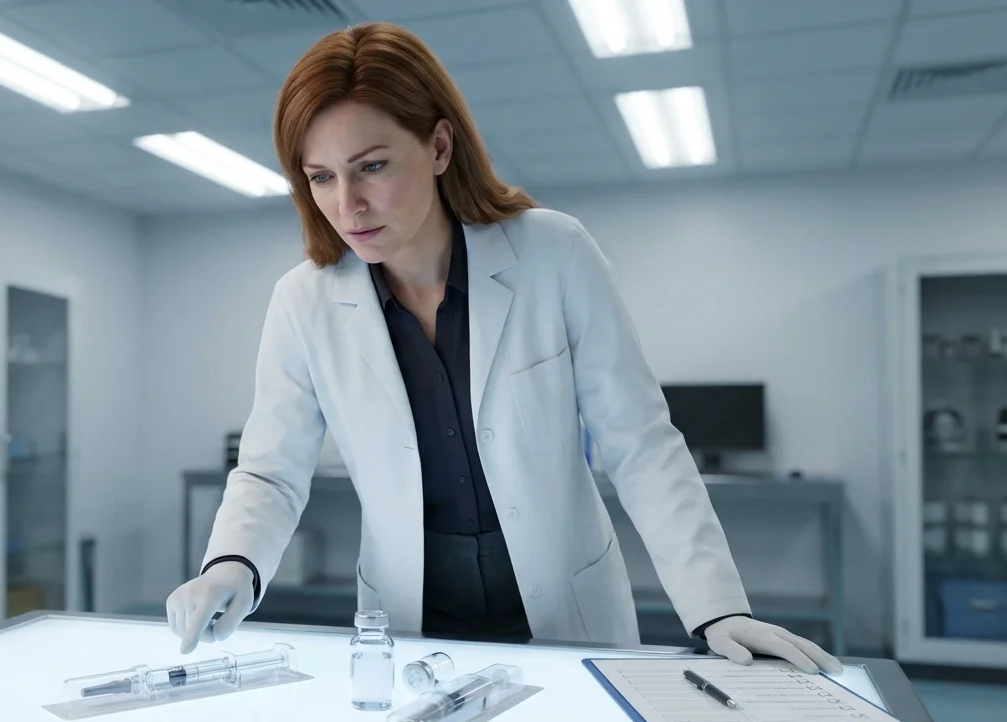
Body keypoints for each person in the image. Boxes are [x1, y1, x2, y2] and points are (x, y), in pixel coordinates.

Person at [165, 21, 840, 676]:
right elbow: (270, 470)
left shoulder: (554, 253)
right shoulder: (304, 300)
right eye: (321, 178)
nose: (349, 206)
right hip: (410, 617)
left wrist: (716, 609)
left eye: (372, 167)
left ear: (438, 146)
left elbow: (639, 443)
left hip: (565, 608)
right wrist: (231, 564)